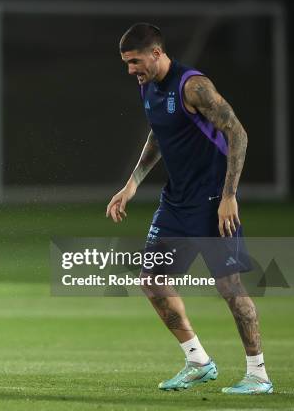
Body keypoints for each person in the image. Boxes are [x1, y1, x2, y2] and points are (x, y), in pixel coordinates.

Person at [106, 23, 272, 395]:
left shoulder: (192, 85)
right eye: (126, 63)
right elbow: (159, 133)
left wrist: (230, 195)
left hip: (214, 200)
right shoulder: (148, 87)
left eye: (135, 61)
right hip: (176, 200)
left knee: (229, 286)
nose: (131, 69)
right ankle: (198, 361)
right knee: (152, 279)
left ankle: (258, 374)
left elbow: (237, 133)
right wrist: (132, 183)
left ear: (157, 54)